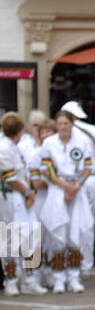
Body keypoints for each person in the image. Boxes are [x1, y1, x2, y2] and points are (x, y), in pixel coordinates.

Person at [40, 109, 95, 293]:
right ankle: (58, 278)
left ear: (72, 123)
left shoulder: (82, 142)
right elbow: (47, 170)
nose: (63, 127)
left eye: (66, 123)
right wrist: (65, 186)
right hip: (57, 190)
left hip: (76, 189)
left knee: (75, 236)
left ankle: (74, 277)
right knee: (57, 237)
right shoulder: (49, 143)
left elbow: (88, 167)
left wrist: (76, 186)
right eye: (60, 124)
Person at [0, 113, 48, 296]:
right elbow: (9, 177)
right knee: (9, 239)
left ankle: (30, 279)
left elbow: (21, 172)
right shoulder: (4, 148)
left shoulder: (14, 147)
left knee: (31, 236)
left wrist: (29, 192)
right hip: (10, 197)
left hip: (21, 196)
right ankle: (11, 281)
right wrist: (28, 192)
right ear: (19, 130)